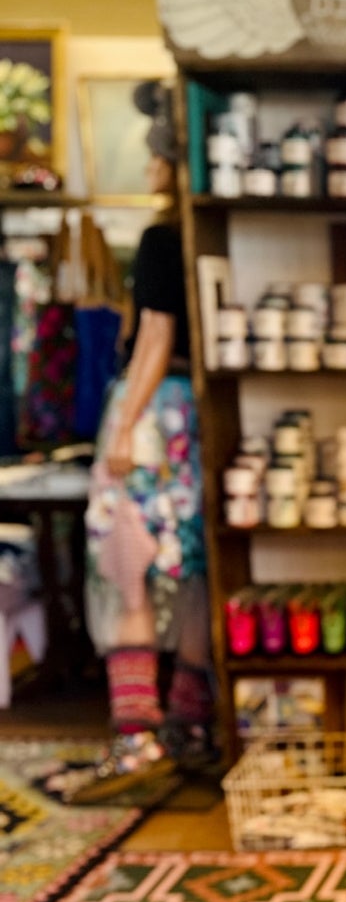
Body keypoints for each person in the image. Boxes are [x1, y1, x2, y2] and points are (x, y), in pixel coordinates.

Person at [63, 129, 213, 805]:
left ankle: (138, 735)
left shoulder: (160, 238)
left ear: (172, 162)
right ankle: (191, 723)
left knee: (125, 561)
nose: (148, 161)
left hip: (152, 415)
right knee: (188, 566)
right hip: (193, 414)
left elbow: (155, 335)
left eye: (155, 149)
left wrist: (123, 424)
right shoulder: (204, 230)